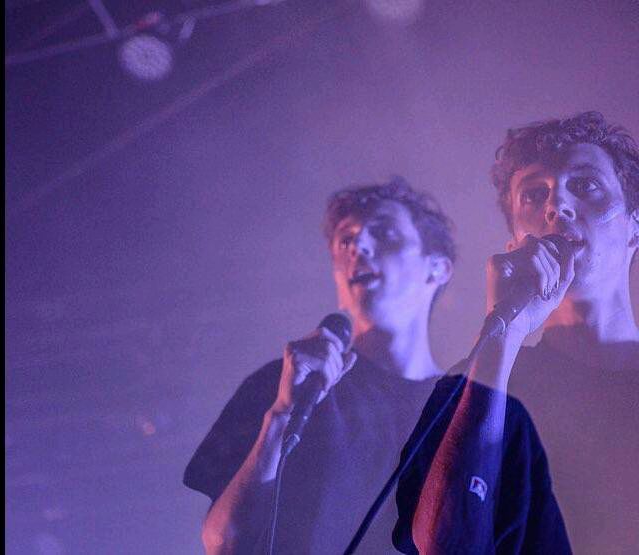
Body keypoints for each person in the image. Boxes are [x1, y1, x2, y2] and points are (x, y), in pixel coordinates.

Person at [393, 111, 639, 554]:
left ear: (634, 226)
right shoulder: (475, 386)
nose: (556, 206)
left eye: (585, 185)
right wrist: (505, 333)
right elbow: (442, 544)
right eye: (534, 195)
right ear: (515, 241)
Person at [184, 177, 457, 554]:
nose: (357, 247)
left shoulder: (467, 410)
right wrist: (281, 416)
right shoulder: (285, 382)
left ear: (437, 268)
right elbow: (223, 541)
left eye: (383, 232)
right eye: (345, 241)